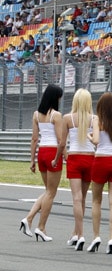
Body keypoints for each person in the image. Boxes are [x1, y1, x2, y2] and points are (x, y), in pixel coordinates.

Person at [20, 85, 64, 242]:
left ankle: (29, 218)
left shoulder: (36, 115)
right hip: (52, 152)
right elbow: (60, 140)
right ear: (55, 98)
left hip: (41, 153)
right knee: (51, 193)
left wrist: (32, 159)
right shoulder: (56, 115)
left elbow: (34, 139)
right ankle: (41, 227)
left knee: (47, 191)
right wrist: (62, 156)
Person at [57, 89, 95, 251]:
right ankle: (76, 232)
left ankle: (80, 235)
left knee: (76, 198)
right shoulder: (94, 119)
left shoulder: (67, 118)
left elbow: (62, 143)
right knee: (83, 198)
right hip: (90, 158)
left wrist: (56, 158)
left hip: (74, 158)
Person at [89, 92, 112, 254]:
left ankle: (96, 236)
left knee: (96, 201)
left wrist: (88, 136)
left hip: (100, 160)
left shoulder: (97, 120)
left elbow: (95, 140)